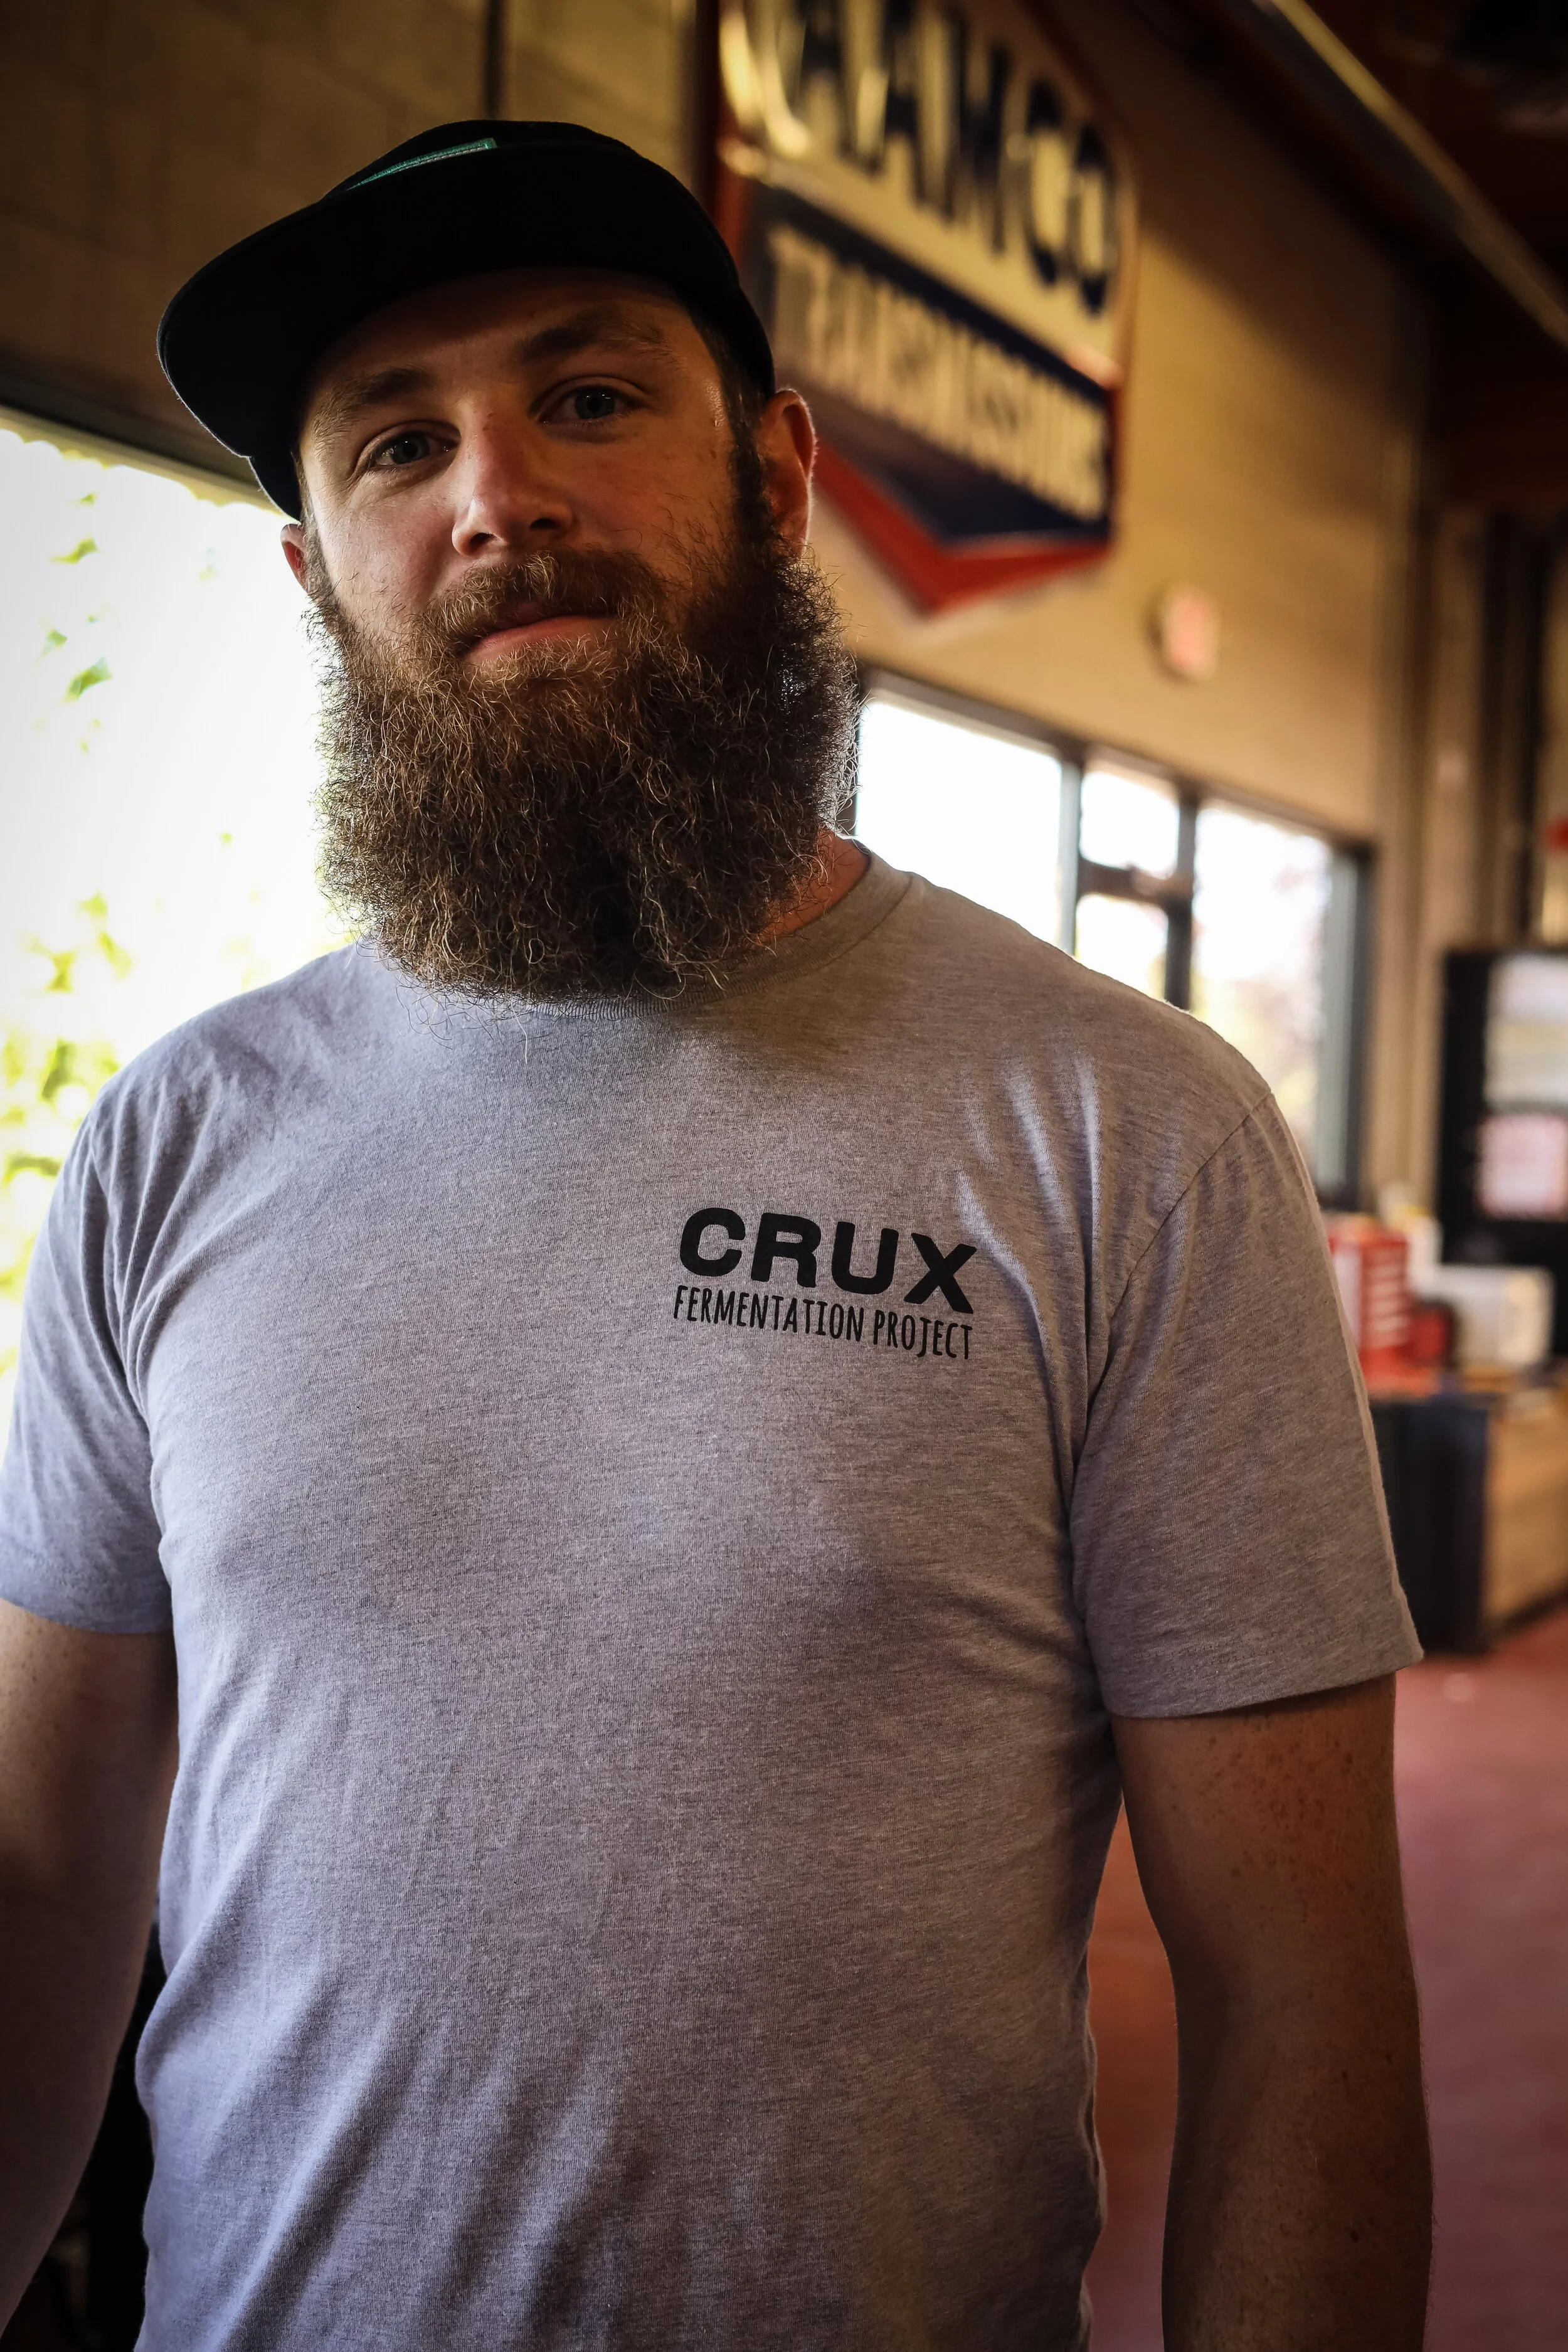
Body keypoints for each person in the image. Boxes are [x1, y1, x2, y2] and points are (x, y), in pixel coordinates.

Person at [0, 120, 1430, 2352]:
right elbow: (40, 1874)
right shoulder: (175, 1138)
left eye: (586, 398)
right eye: (398, 444)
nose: (495, 497)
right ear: (315, 572)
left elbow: (1301, 1986)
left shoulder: (1121, 1124)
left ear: (774, 475)